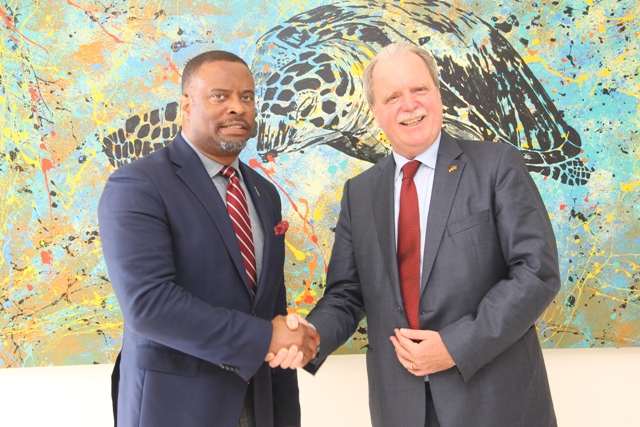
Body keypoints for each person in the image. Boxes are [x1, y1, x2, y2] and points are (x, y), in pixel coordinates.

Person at [270, 42, 560, 426]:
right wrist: (311, 336)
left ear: (438, 95)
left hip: (494, 401)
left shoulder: (496, 165)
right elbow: (346, 293)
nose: (409, 104)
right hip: (401, 408)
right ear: (375, 112)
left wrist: (456, 346)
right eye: (393, 96)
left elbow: (535, 272)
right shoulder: (360, 194)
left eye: (419, 89)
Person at [99, 50, 319, 427]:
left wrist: (293, 341)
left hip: (259, 402)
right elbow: (149, 305)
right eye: (220, 96)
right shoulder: (139, 184)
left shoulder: (265, 194)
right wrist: (266, 336)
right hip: (176, 407)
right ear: (185, 104)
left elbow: (269, 306)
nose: (238, 107)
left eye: (247, 97)